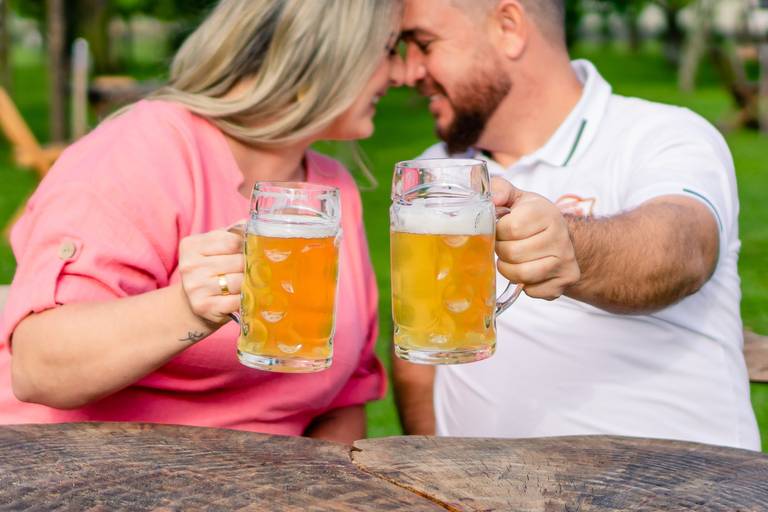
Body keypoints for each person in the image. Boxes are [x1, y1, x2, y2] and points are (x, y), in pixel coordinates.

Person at [0, 0, 404, 445]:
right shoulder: (148, 148)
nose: (402, 74)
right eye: (387, 50)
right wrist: (187, 308)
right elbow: (39, 367)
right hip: (83, 477)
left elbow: (346, 397)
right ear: (321, 52)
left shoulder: (331, 190)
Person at [393, 0, 760, 450]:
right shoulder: (434, 171)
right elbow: (417, 354)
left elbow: (683, 249)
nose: (406, 74)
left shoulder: (663, 134)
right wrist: (429, 467)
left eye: (423, 44)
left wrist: (570, 244)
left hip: (669, 488)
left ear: (508, 27)